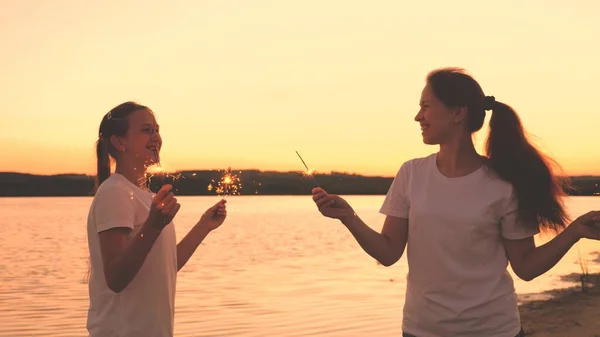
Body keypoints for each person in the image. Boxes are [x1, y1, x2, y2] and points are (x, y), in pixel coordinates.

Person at [311, 68, 600, 337]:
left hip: (492, 330)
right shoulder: (411, 173)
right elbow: (388, 253)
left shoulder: (503, 184)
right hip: (421, 329)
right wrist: (348, 216)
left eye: (426, 106)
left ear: (458, 113)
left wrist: (574, 232)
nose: (418, 117)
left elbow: (525, 267)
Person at [86, 101, 227, 337]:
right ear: (120, 142)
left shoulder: (146, 196)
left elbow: (166, 265)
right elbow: (116, 277)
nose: (156, 137)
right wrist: (153, 225)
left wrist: (204, 226)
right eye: (146, 130)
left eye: (157, 130)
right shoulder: (115, 192)